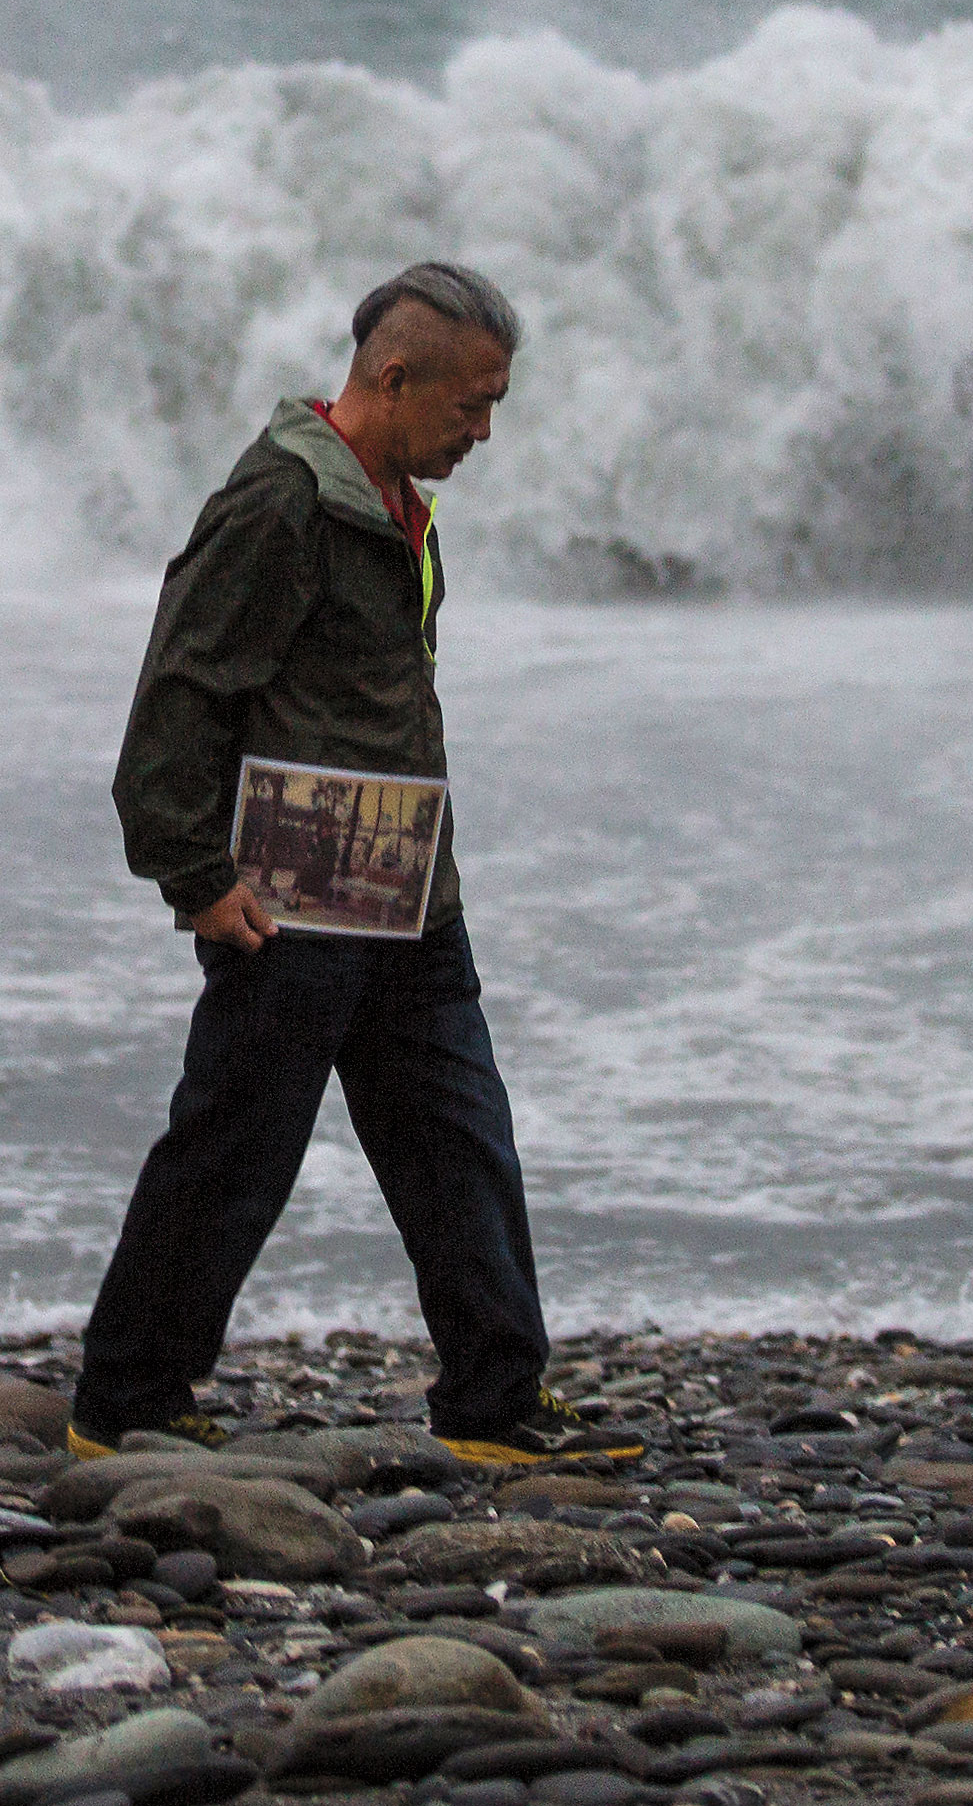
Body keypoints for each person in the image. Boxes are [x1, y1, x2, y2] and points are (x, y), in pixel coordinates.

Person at [70, 261, 631, 1468]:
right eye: (470, 404)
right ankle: (124, 1401)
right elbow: (174, 706)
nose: (484, 430)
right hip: (289, 893)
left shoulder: (386, 501)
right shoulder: (279, 506)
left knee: (459, 1136)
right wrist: (196, 879)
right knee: (234, 1149)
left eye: (493, 406)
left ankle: (495, 1401)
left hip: (405, 882)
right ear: (392, 377)